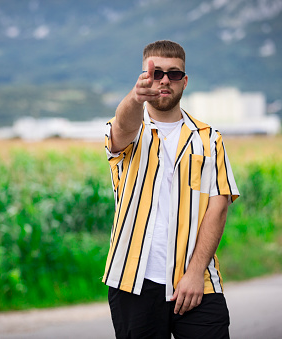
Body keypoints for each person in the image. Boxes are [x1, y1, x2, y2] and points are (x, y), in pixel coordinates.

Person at [102, 40, 240, 339]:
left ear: (184, 81)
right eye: (156, 73)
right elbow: (123, 127)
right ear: (144, 77)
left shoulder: (209, 139)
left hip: (197, 282)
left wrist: (194, 273)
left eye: (174, 74)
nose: (164, 80)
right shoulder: (129, 130)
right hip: (134, 280)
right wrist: (135, 98)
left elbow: (217, 208)